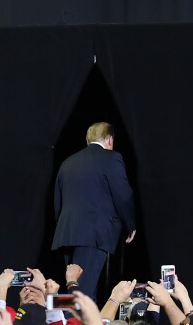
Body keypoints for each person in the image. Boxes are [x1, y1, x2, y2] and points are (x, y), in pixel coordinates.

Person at [52, 122, 136, 301]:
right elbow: (123, 195)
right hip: (93, 234)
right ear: (109, 139)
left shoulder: (68, 163)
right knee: (84, 295)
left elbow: (58, 203)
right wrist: (130, 225)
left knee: (73, 289)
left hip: (66, 234)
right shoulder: (110, 158)